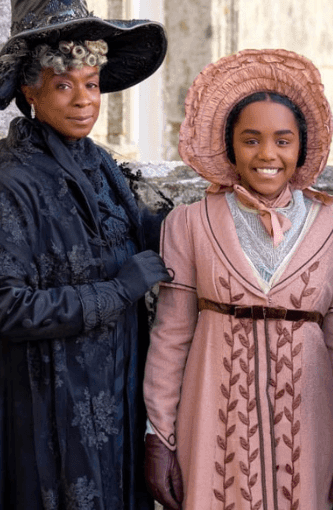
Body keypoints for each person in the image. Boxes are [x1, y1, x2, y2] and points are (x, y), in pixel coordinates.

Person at [143, 49, 333, 510]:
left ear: (301, 149)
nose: (267, 154)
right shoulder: (188, 224)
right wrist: (159, 435)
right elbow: (171, 336)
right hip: (210, 426)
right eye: (251, 140)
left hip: (309, 432)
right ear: (230, 146)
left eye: (283, 141)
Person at [0, 0, 169, 508]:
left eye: (91, 83)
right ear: (31, 92)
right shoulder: (12, 184)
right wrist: (118, 290)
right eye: (63, 84)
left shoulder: (104, 168)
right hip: (46, 412)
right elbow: (8, 306)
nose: (83, 101)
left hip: (119, 406)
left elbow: (152, 235)